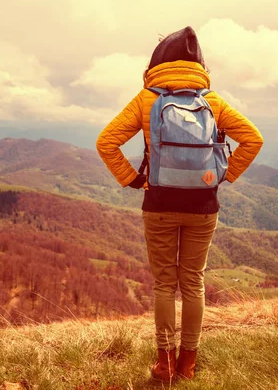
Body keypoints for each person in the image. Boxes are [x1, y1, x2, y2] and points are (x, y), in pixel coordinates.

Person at [96, 26, 263, 383]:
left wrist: (134, 179)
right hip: (203, 206)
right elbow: (253, 138)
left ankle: (165, 364)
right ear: (199, 65)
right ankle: (188, 364)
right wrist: (223, 175)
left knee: (163, 285)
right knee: (193, 283)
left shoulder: (146, 99)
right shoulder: (212, 102)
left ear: (158, 63)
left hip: (158, 204)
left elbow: (106, 142)